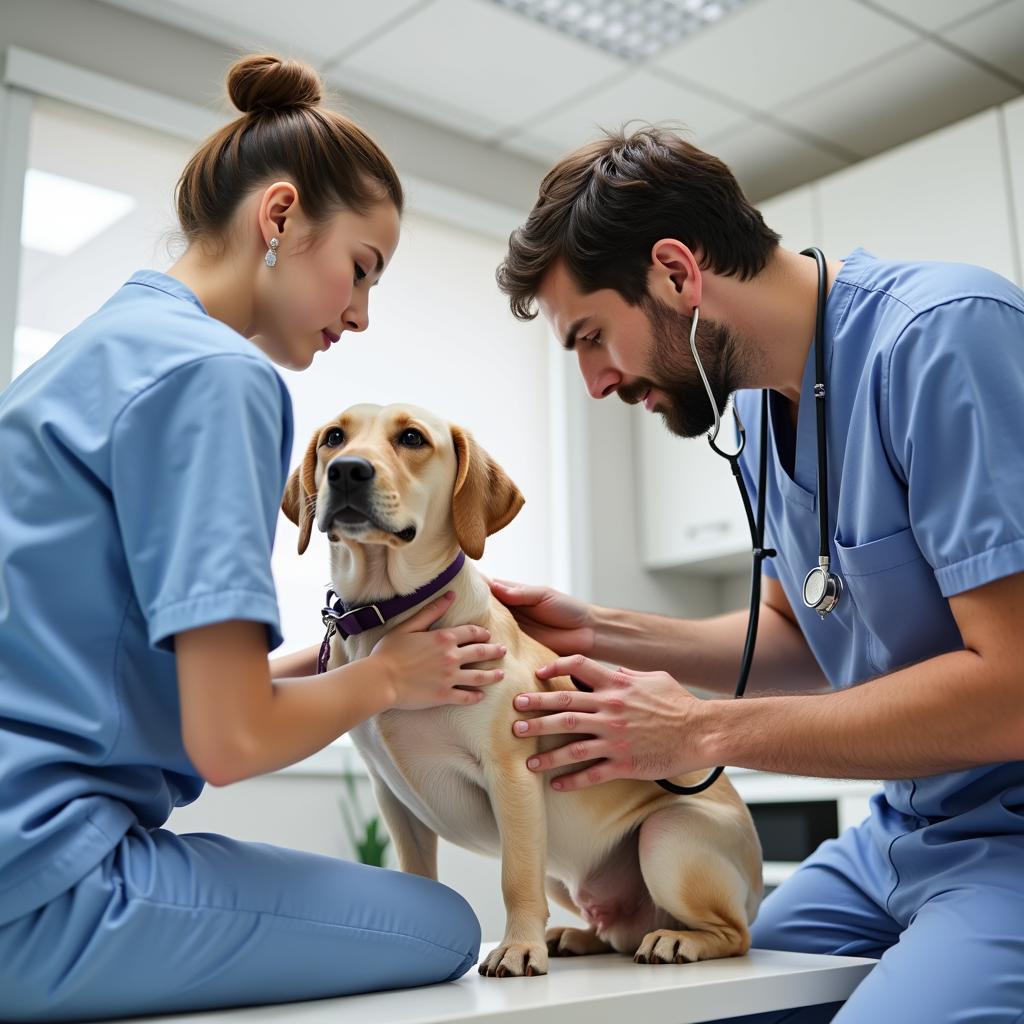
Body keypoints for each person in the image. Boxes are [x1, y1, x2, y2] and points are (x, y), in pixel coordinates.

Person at [0, 54, 508, 1022]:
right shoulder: (218, 377)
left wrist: (330, 660)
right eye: (360, 270)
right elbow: (228, 738)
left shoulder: (87, 357)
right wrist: (392, 677)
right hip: (42, 884)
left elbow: (105, 677)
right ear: (277, 218)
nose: (360, 313)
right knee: (441, 925)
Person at [491, 126, 1024, 1022]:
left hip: (1010, 843)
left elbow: (1013, 688)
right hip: (901, 832)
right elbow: (803, 635)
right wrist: (598, 631)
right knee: (695, 1004)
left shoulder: (943, 339)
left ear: (674, 272)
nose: (593, 382)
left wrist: (699, 734)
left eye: (591, 337)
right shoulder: (758, 416)